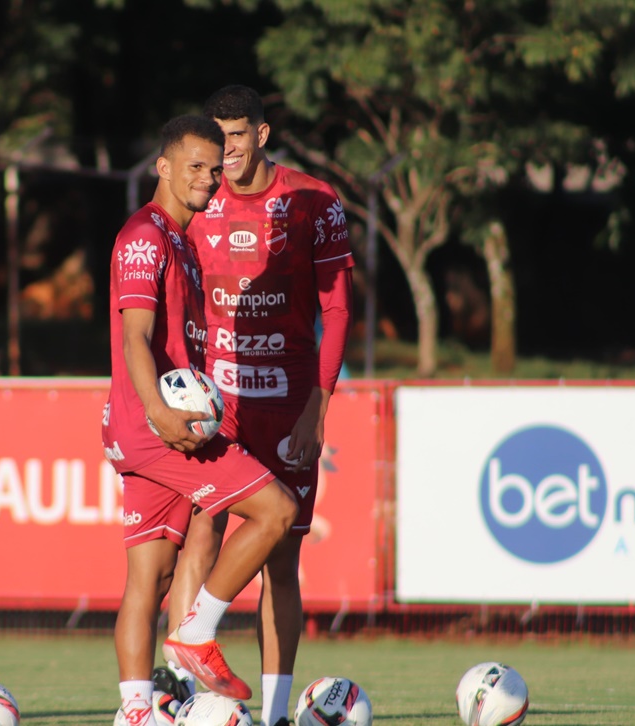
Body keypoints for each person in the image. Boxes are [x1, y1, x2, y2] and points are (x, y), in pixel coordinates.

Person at [165, 85, 354, 726]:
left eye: (238, 137)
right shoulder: (196, 198)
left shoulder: (313, 201)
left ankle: (274, 714)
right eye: (217, 141)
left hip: (289, 403)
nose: (227, 152)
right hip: (219, 406)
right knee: (201, 536)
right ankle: (183, 698)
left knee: (283, 560)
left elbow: (338, 308)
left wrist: (318, 408)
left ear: (263, 135)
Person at [102, 114, 299, 726]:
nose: (209, 179)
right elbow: (135, 337)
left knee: (149, 576)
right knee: (277, 511)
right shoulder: (147, 235)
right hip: (158, 431)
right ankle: (197, 632)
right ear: (162, 167)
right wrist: (161, 414)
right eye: (195, 166)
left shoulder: (182, 242)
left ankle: (136, 711)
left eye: (216, 169)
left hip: (149, 427)